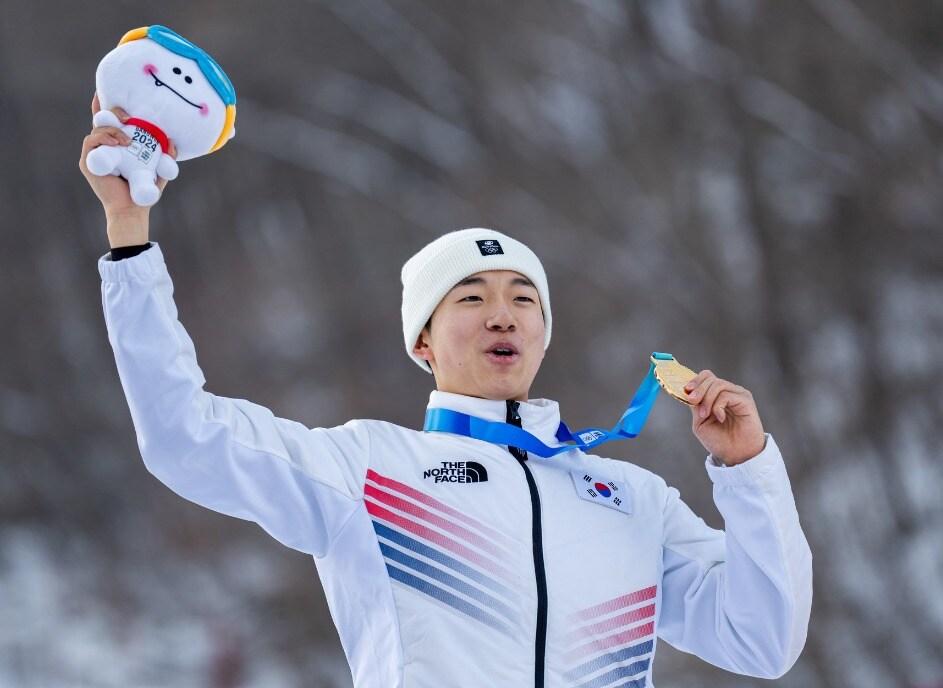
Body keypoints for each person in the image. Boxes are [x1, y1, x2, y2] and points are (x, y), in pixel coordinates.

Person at [80, 97, 813, 688]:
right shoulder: (370, 469)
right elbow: (185, 437)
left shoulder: (633, 500)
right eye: (469, 297)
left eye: (523, 298)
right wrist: (129, 236)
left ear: (544, 335)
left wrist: (748, 469)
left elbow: (761, 640)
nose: (502, 314)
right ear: (422, 343)